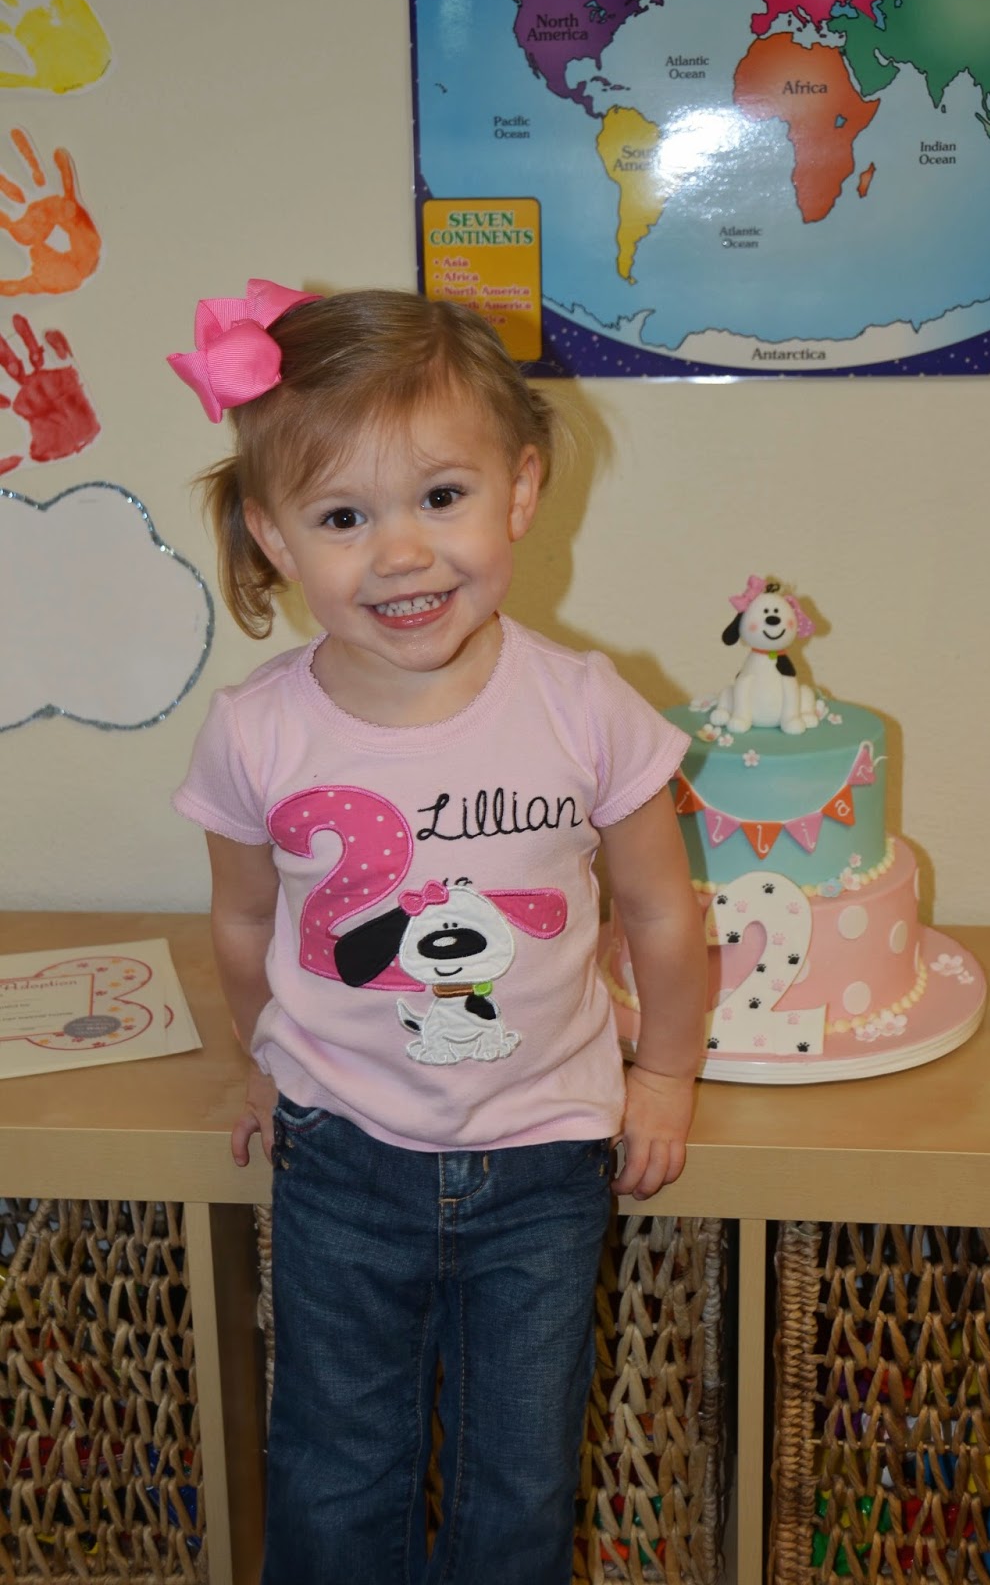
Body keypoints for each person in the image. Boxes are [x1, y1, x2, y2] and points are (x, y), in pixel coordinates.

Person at [169, 278, 706, 1585]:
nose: (401, 554)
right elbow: (243, 921)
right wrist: (260, 1059)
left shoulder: (586, 708)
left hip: (547, 1160)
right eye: (344, 517)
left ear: (519, 491)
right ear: (274, 536)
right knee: (334, 1466)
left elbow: (659, 909)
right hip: (341, 1155)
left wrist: (667, 1075)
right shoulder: (257, 732)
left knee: (518, 1482)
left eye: (441, 496)